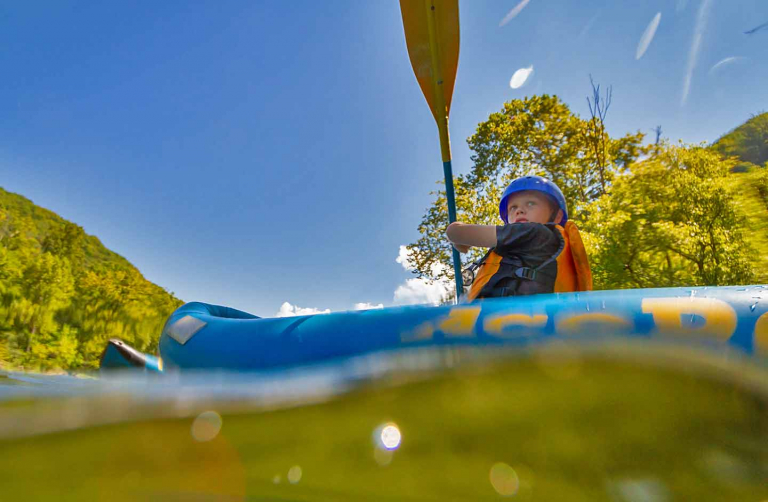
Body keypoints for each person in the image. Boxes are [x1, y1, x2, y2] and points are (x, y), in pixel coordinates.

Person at [446, 175, 592, 301]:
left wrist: (458, 236)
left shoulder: (536, 233)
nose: (519, 210)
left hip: (515, 320)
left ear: (557, 215)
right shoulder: (517, 246)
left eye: (530, 203)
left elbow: (455, 232)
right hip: (506, 321)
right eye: (513, 208)